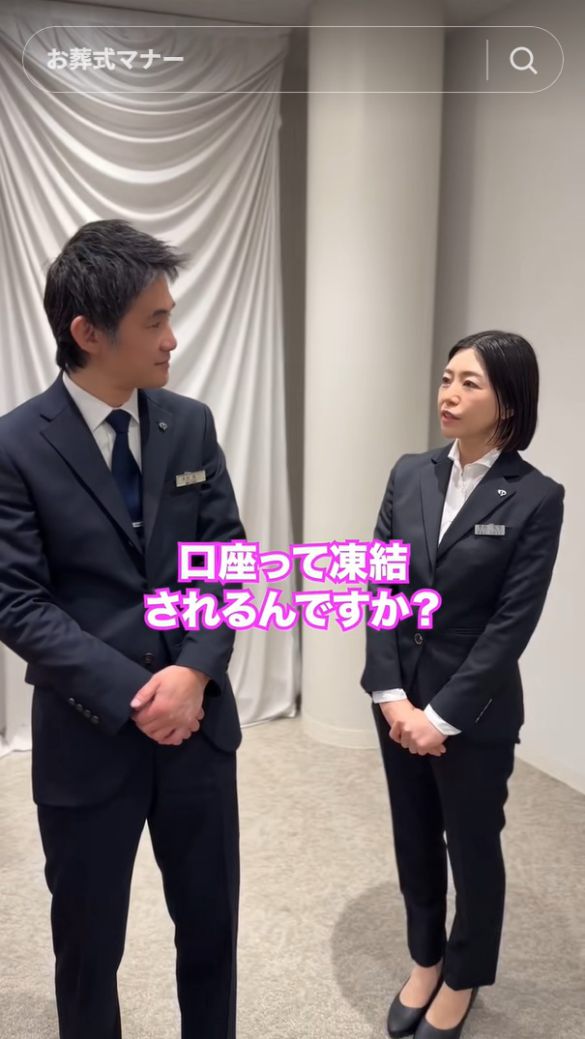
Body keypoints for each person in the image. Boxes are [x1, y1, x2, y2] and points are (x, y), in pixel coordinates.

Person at [0, 220, 245, 1039]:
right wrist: (140, 693)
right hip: (87, 735)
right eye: (155, 320)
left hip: (198, 728)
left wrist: (194, 672)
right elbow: (17, 600)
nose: (172, 338)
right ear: (87, 332)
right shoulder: (14, 445)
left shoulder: (190, 423)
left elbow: (227, 563)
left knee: (210, 932)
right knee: (87, 946)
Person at [361, 331, 564, 1039]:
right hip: (398, 702)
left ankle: (464, 973)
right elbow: (380, 585)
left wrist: (439, 716)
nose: (448, 393)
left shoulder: (536, 497)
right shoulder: (409, 473)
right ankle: (426, 957)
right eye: (447, 377)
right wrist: (390, 694)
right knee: (413, 835)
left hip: (472, 713)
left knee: (472, 845)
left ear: (508, 401)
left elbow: (511, 624)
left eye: (468, 383)